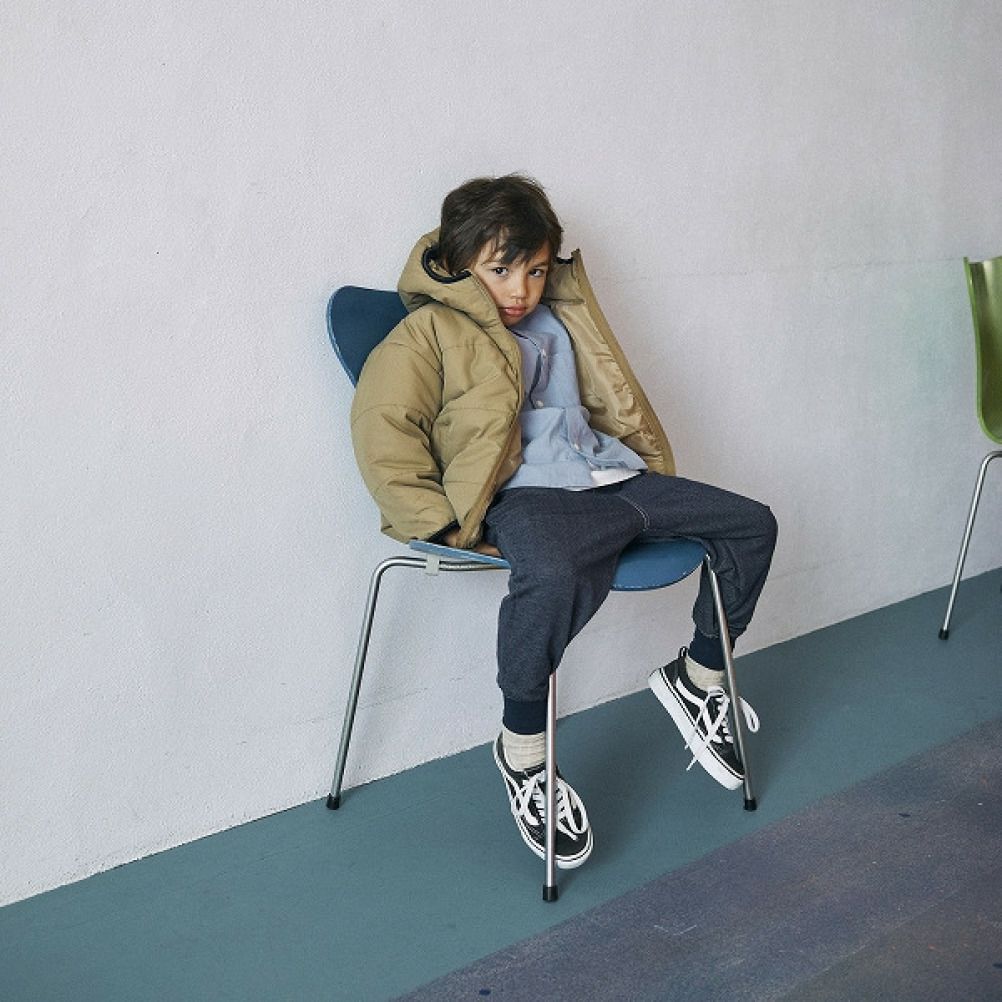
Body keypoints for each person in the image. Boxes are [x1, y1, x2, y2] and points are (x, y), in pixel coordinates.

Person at [350, 175, 777, 869]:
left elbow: (604, 403)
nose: (521, 289)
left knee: (751, 524)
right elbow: (383, 428)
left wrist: (637, 460)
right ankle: (523, 752)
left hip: (611, 476)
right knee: (552, 574)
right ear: (456, 263)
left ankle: (699, 679)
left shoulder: (559, 320)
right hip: (526, 496)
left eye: (537, 270)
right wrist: (435, 523)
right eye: (500, 270)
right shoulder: (428, 333)